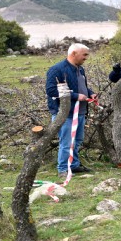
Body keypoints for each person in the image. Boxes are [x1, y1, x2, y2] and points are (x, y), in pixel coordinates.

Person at [46, 43, 96, 177]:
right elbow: (51, 90)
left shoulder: (80, 69)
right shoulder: (56, 69)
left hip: (80, 112)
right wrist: (75, 96)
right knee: (66, 142)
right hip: (65, 114)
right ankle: (62, 169)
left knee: (78, 141)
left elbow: (81, 86)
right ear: (74, 53)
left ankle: (73, 165)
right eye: (84, 54)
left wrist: (90, 93)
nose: (86, 57)